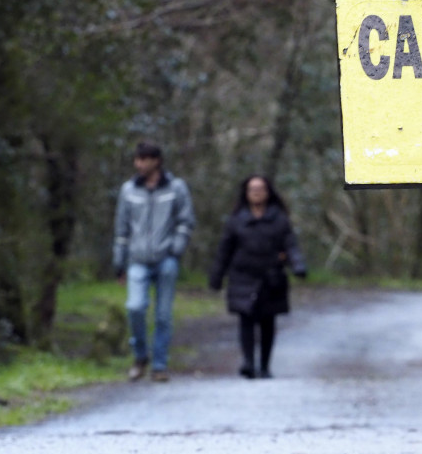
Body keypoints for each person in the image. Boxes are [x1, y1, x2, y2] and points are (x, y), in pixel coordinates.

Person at [208, 175, 306, 379]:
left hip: (271, 278)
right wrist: (216, 276)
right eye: (252, 189)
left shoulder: (279, 219)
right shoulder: (237, 220)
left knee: (267, 322)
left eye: (260, 188)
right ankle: (248, 362)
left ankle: (264, 365)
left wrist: (298, 266)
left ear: (268, 192)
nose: (256, 192)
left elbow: (291, 245)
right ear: (246, 192)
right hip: (243, 276)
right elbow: (224, 250)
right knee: (246, 319)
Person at [113, 141, 196, 382]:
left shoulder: (176, 188)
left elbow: (185, 221)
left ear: (156, 161)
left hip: (165, 259)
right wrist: (119, 262)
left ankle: (159, 365)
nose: (139, 164)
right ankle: (140, 356)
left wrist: (176, 249)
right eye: (137, 159)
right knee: (135, 307)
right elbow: (121, 228)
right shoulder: (128, 190)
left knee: (163, 315)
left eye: (144, 159)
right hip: (137, 259)